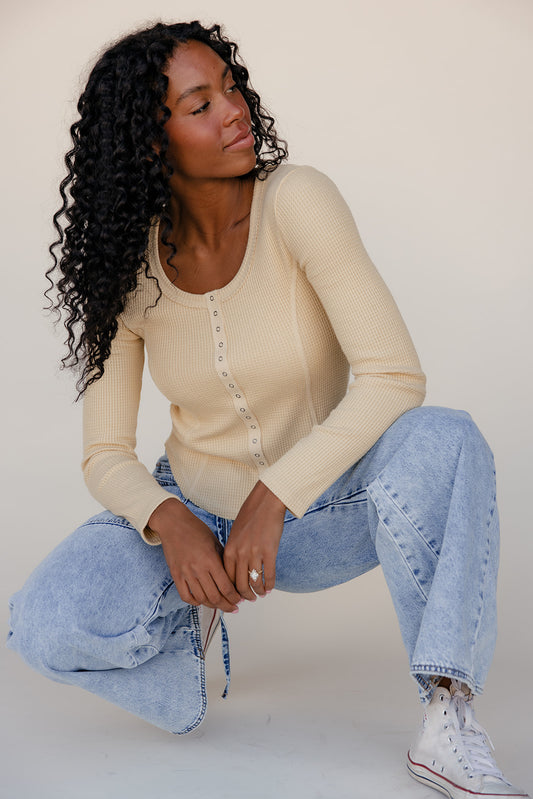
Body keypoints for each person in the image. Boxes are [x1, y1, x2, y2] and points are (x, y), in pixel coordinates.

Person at [6, 20, 528, 799]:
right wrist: (171, 522)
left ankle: (446, 711)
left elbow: (392, 374)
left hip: (327, 509)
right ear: (153, 144)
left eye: (230, 86)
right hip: (198, 519)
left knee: (445, 439)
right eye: (199, 103)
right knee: (38, 622)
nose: (235, 109)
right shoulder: (130, 264)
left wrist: (274, 495)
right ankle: (188, 649)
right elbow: (103, 451)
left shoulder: (297, 201)